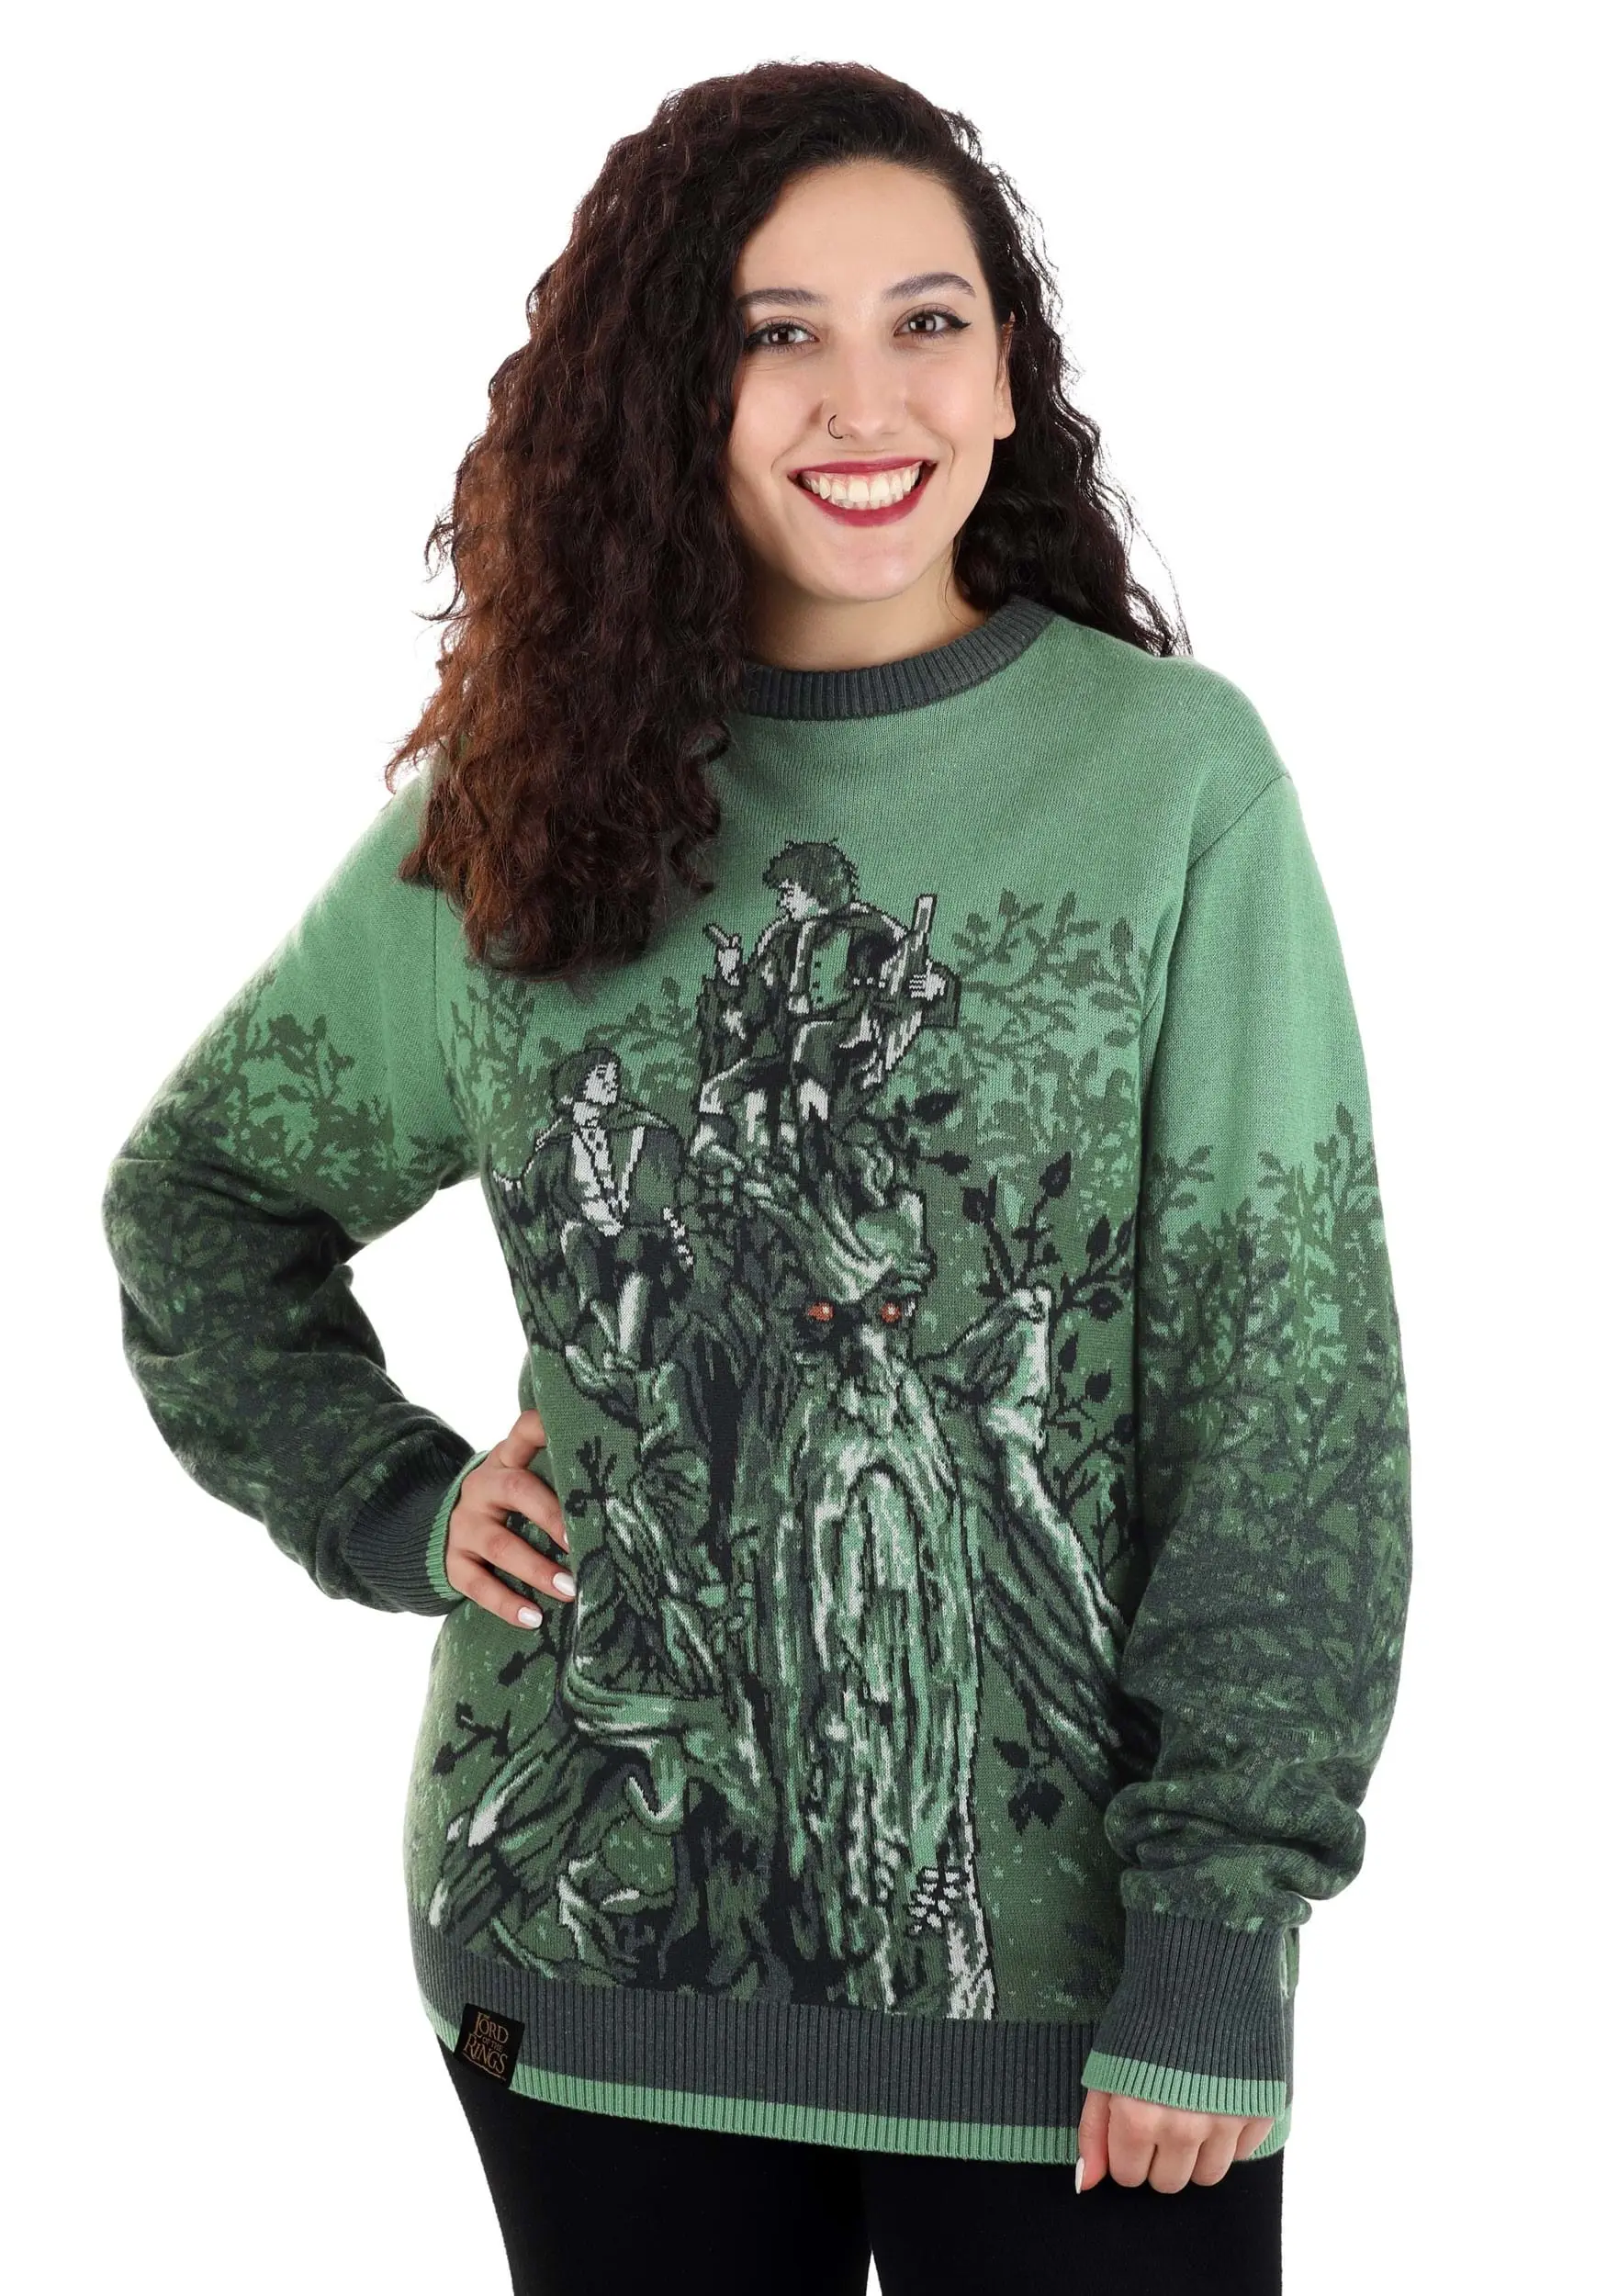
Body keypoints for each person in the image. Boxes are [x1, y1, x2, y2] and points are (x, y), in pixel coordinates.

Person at [101, 57, 1412, 2296]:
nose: (858, 397)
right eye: (772, 331)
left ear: (1006, 372)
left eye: (925, 320)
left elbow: (1283, 1394)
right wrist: (383, 1496)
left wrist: (1219, 1925)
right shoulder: (529, 800)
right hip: (588, 1957)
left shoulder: (1167, 784)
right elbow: (202, 1192)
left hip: (1081, 2005)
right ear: (668, 392)